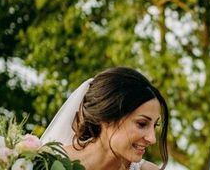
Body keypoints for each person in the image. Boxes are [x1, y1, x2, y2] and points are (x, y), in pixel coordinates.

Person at [41, 67, 169, 170]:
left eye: (155, 125)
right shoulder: (45, 163)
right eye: (142, 124)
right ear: (107, 117)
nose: (152, 139)